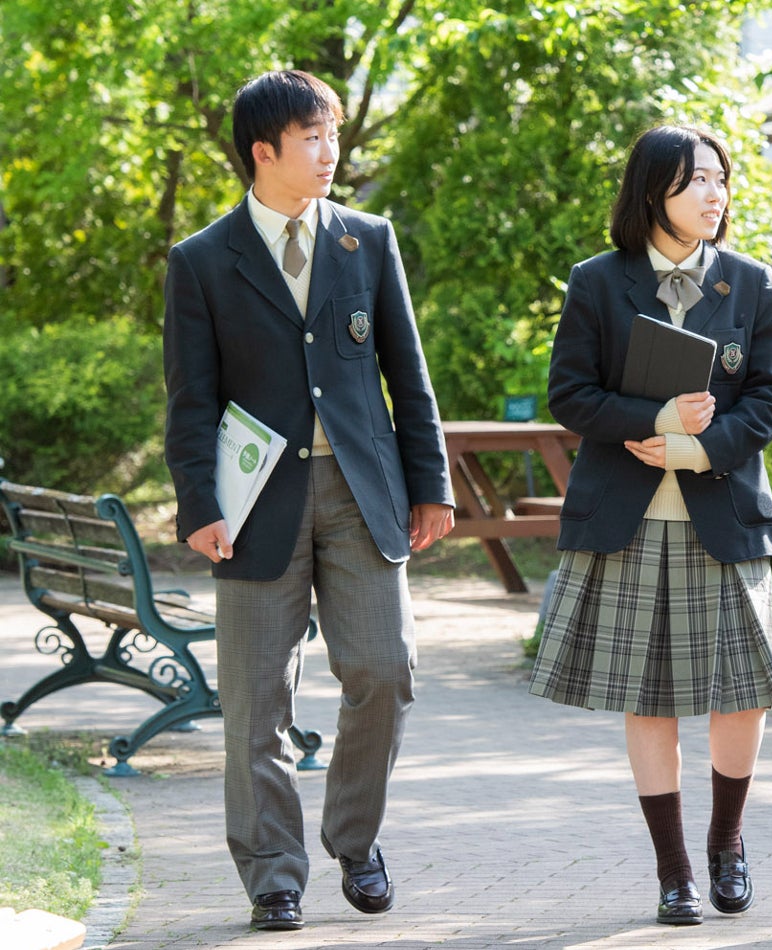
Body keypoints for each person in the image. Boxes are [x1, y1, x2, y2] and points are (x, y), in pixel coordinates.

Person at [162, 69, 455, 932]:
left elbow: (409, 373)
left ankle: (355, 841)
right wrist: (197, 506)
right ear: (264, 152)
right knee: (257, 701)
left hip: (365, 493)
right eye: (314, 138)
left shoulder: (369, 239)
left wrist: (430, 482)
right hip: (254, 504)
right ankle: (272, 877)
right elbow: (190, 401)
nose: (332, 152)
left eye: (333, 134)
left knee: (386, 671)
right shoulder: (201, 261)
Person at [528, 124, 772, 926]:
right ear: (653, 192)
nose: (714, 195)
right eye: (695, 182)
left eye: (720, 179)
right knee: (648, 700)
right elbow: (569, 395)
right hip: (628, 521)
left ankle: (727, 844)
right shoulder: (598, 283)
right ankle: (674, 871)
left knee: (741, 697)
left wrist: (706, 446)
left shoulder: (749, 283)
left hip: (725, 515)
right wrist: (649, 416)